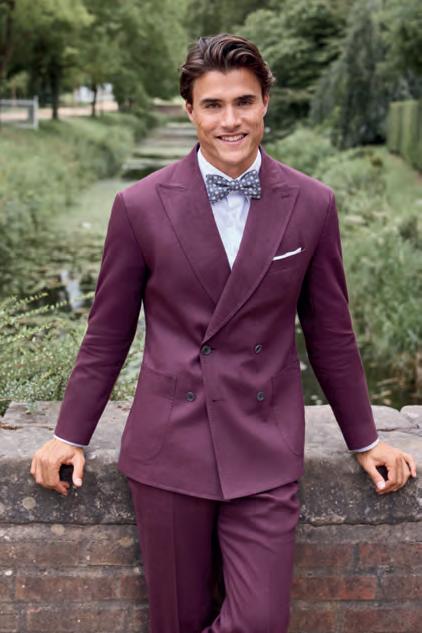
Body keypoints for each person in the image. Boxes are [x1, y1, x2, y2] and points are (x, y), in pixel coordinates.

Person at [31, 33, 417, 633]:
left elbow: (331, 335)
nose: (230, 120)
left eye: (243, 102)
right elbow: (107, 334)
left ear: (265, 104)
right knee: (177, 620)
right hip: (169, 446)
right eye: (213, 105)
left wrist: (365, 441)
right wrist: (69, 434)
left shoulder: (312, 203)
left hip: (265, 446)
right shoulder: (139, 205)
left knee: (260, 620)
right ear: (190, 110)